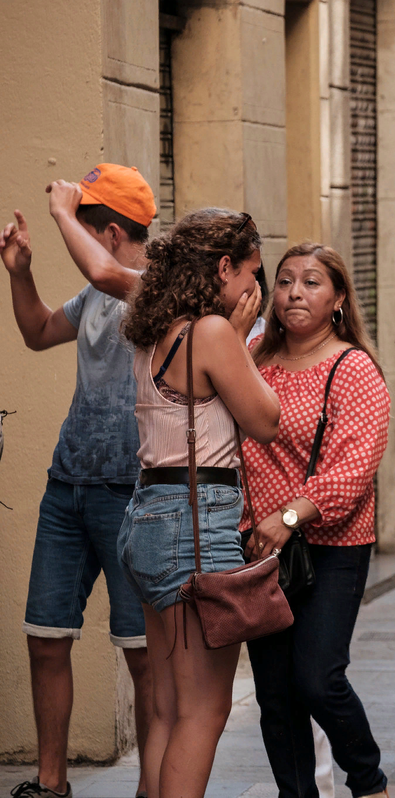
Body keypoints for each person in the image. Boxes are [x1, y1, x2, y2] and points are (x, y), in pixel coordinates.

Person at [2, 165, 156, 798]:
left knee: (143, 655)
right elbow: (39, 332)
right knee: (46, 635)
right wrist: (20, 273)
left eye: (84, 226)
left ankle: (155, 784)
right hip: (68, 486)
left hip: (132, 492)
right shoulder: (94, 297)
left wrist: (64, 213)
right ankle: (51, 782)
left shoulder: (152, 287)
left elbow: (101, 273)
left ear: (110, 233)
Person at [118, 208, 280, 798]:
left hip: (147, 520)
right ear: (223, 267)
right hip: (193, 523)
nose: (255, 291)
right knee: (204, 713)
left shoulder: (156, 330)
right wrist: (239, 338)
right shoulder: (211, 333)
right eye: (251, 274)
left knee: (166, 708)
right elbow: (266, 420)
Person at [240, 243, 391, 798]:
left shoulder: (353, 367)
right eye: (284, 282)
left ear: (338, 300)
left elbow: (355, 468)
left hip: (331, 547)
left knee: (316, 678)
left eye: (310, 282)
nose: (294, 293)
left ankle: (369, 783)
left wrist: (288, 516)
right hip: (257, 550)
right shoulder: (253, 356)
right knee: (276, 696)